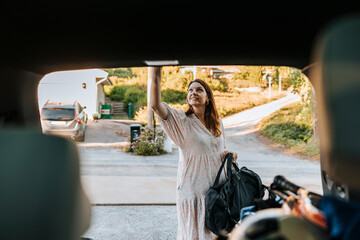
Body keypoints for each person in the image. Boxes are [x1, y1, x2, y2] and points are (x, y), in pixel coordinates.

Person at [150, 67, 238, 239]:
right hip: (193, 192)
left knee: (216, 233)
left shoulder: (218, 123)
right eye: (190, 90)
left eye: (199, 90)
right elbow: (155, 105)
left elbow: (219, 151)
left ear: (208, 98)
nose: (193, 92)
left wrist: (229, 154)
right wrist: (156, 71)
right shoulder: (182, 121)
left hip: (217, 191)